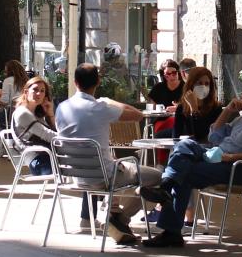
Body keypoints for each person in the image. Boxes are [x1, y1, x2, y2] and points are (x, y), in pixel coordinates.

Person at [140, 76, 242, 248]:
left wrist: (231, 157)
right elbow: (214, 136)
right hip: (218, 157)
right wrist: (227, 111)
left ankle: (170, 227)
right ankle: (166, 187)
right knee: (185, 145)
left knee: (184, 173)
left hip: (240, 169)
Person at [55, 63, 162, 245]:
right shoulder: (101, 107)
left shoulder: (61, 108)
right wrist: (111, 101)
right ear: (98, 81)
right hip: (104, 176)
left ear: (75, 82)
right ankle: (120, 219)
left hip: (75, 176)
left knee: (121, 167)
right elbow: (137, 115)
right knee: (158, 177)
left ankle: (113, 212)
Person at [173, 66, 223, 226]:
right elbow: (176, 136)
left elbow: (203, 135)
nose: (204, 86)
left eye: (207, 83)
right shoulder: (181, 108)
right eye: (200, 83)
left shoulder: (216, 109)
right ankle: (186, 217)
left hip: (207, 151)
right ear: (191, 85)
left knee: (181, 169)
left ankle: (181, 214)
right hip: (185, 151)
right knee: (179, 163)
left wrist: (195, 110)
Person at [11, 77, 56, 175]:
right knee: (77, 165)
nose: (39, 94)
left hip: (47, 156)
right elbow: (47, 135)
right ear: (26, 92)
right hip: (39, 161)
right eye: (35, 90)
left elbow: (52, 132)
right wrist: (69, 140)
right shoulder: (23, 113)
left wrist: (50, 113)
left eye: (42, 91)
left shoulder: (36, 114)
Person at [148, 59, 184, 140]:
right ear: (163, 75)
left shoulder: (186, 87)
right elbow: (151, 108)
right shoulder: (158, 88)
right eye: (168, 74)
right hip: (161, 120)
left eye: (174, 73)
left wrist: (179, 108)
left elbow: (192, 106)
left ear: (178, 72)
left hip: (180, 121)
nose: (171, 76)